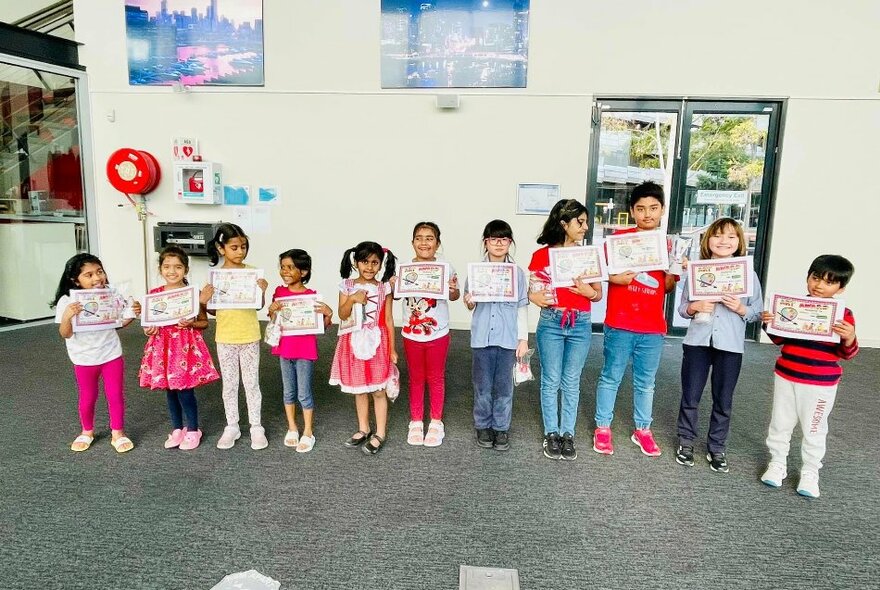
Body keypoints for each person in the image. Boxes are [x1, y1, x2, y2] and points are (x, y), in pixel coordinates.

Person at [760, 255, 858, 498]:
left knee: (814, 428)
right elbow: (779, 340)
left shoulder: (843, 315)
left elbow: (847, 353)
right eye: (815, 278)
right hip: (787, 375)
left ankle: (810, 472)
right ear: (807, 278)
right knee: (780, 423)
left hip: (820, 382)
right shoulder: (794, 307)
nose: (819, 285)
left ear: (841, 288)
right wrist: (769, 324)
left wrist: (849, 337)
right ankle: (777, 463)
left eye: (828, 282)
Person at [593, 181, 677, 457]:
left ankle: (643, 429)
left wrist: (672, 272)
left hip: (652, 326)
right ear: (632, 210)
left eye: (653, 208)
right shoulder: (619, 240)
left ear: (662, 209)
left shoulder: (667, 245)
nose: (647, 214)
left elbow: (665, 287)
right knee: (611, 376)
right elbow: (603, 273)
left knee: (646, 382)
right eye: (640, 208)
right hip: (619, 322)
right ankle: (603, 427)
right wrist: (615, 278)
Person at [674, 218, 762, 473]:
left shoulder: (748, 274)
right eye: (718, 235)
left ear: (739, 243)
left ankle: (717, 447)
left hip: (731, 345)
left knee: (723, 398)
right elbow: (682, 308)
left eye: (731, 237)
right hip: (698, 342)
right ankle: (686, 441)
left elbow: (757, 311)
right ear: (708, 240)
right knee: (691, 394)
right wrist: (694, 307)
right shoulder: (697, 272)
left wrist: (741, 308)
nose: (724, 241)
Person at [528, 199, 602, 461]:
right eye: (579, 222)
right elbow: (534, 290)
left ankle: (567, 433)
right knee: (551, 379)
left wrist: (587, 291)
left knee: (571, 380)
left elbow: (597, 295)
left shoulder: (587, 255)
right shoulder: (542, 255)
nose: (584, 227)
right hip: (552, 321)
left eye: (586, 222)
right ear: (563, 223)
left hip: (580, 322)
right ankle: (551, 432)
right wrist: (534, 297)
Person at [52, 253, 140, 453]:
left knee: (115, 394)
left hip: (111, 354)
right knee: (88, 396)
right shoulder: (67, 301)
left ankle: (118, 432)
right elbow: (65, 334)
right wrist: (67, 316)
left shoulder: (110, 294)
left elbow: (117, 324)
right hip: (83, 358)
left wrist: (132, 313)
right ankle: (87, 431)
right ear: (75, 279)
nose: (97, 278)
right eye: (88, 275)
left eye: (99, 272)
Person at [138, 246, 220, 451]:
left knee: (184, 390)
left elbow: (204, 323)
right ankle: (177, 429)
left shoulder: (193, 293)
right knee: (170, 390)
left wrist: (191, 322)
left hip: (184, 348)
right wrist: (149, 329)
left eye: (177, 267)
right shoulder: (154, 295)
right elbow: (150, 326)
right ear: (160, 269)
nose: (172, 271)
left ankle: (193, 429)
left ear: (186, 269)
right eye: (166, 267)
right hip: (162, 348)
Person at [464, 220, 529, 451]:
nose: (499, 243)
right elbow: (469, 304)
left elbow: (522, 306)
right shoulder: (475, 271)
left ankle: (501, 428)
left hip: (508, 339)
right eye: (494, 239)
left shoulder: (517, 273)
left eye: (504, 239)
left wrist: (523, 339)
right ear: (486, 242)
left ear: (510, 242)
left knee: (504, 387)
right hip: (482, 338)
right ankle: (483, 424)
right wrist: (470, 300)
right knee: (481, 385)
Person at [203, 223, 269, 450]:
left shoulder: (252, 272)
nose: (240, 252)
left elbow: (258, 306)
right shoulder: (216, 277)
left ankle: (256, 426)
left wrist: (262, 291)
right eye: (234, 247)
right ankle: (232, 425)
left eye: (243, 247)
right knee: (230, 384)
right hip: (225, 337)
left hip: (250, 335)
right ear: (221, 249)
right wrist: (207, 298)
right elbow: (212, 311)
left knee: (252, 383)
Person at [329, 242, 397, 455]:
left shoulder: (383, 287)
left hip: (378, 341)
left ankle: (381, 432)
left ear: (381, 264)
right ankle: (363, 428)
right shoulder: (346, 285)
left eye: (375, 263)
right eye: (365, 262)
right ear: (356, 262)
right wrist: (352, 298)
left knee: (378, 390)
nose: (369, 267)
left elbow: (388, 318)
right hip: (353, 340)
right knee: (359, 389)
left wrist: (392, 349)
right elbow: (341, 314)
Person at [399, 222, 460, 448]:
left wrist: (453, 289)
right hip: (411, 332)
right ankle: (415, 420)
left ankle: (436, 421)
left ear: (437, 243)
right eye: (419, 238)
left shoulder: (446, 266)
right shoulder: (404, 268)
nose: (424, 242)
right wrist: (395, 284)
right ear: (413, 242)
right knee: (415, 377)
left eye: (429, 238)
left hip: (438, 332)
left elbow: (454, 296)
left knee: (435, 376)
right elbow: (396, 297)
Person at [267, 249, 332, 453]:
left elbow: (324, 325)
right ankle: (292, 428)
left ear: (303, 272)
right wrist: (271, 310)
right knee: (288, 392)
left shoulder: (312, 297)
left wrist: (328, 313)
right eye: (283, 267)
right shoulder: (279, 293)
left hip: (305, 350)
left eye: (290, 267)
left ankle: (308, 432)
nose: (285, 271)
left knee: (304, 393)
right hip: (284, 348)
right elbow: (273, 320)